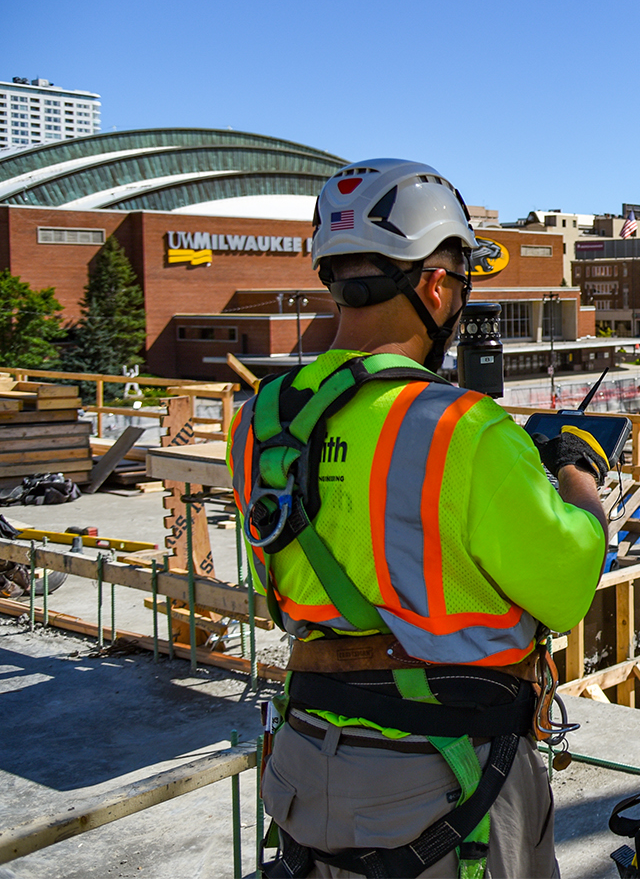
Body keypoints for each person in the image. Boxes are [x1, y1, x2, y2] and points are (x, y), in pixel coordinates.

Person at [229, 159, 611, 879]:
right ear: (436, 284)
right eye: (462, 282)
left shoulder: (259, 421)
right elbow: (567, 587)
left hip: (307, 765)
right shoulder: (463, 429)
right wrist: (578, 474)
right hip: (446, 782)